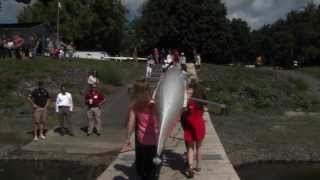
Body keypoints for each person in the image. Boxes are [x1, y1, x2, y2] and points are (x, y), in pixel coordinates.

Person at [122, 79, 159, 180]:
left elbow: (131, 123)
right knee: (152, 162)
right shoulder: (155, 103)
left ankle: (144, 174)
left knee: (143, 160)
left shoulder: (134, 105)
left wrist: (128, 139)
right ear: (148, 89)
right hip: (155, 137)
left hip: (141, 137)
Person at [183, 83, 206, 178]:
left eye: (189, 89)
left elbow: (185, 109)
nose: (188, 90)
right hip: (199, 125)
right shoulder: (201, 102)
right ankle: (198, 166)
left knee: (190, 148)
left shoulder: (190, 101)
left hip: (190, 126)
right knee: (199, 147)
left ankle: (191, 167)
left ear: (193, 90)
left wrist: (187, 99)